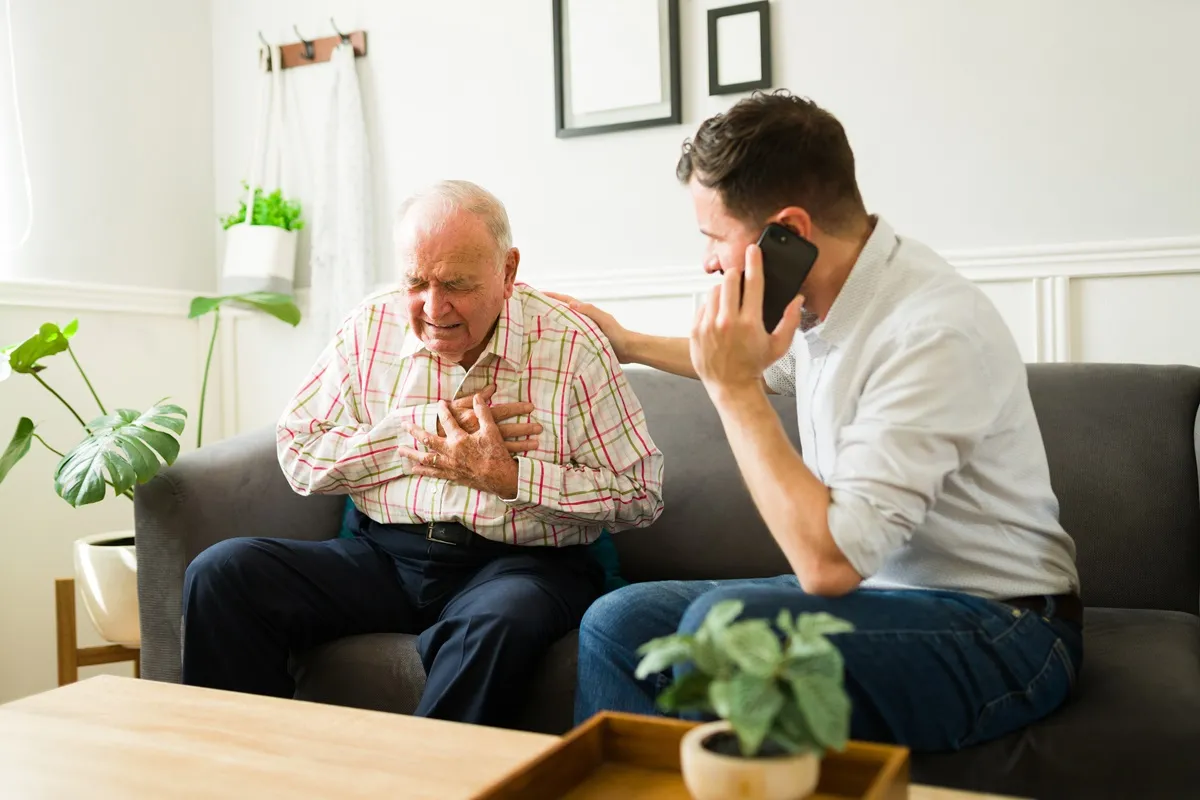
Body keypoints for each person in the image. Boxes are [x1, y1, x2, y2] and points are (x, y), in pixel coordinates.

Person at [554, 91, 1082, 752]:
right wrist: (627, 341)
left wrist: (730, 387)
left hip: (1001, 624)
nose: (709, 262)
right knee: (617, 619)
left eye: (715, 237)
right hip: (888, 598)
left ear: (789, 232)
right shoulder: (825, 294)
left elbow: (828, 567)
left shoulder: (930, 331)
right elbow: (771, 368)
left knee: (725, 632)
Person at [181, 179, 664, 727]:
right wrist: (410, 433)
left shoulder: (571, 345)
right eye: (416, 282)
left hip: (518, 566)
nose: (434, 308)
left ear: (507, 271)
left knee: (498, 621)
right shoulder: (369, 328)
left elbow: (640, 494)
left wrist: (512, 479)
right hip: (384, 558)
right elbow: (299, 450)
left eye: (456, 284)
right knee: (224, 573)